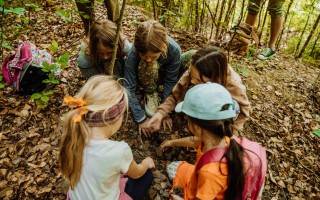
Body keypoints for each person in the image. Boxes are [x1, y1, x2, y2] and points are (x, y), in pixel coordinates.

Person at [161, 82, 265, 200]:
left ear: (198, 127)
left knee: (173, 170)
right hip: (211, 181)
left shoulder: (209, 173)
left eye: (187, 119)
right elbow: (193, 141)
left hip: (206, 188)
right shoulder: (224, 139)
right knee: (173, 168)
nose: (186, 122)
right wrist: (172, 142)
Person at [59, 75, 155, 200]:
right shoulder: (119, 150)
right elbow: (136, 173)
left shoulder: (74, 137)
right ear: (114, 119)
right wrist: (146, 163)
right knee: (146, 176)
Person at [145, 46, 250, 135]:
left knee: (233, 106)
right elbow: (176, 94)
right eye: (192, 75)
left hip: (217, 119)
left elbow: (242, 114)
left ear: (214, 78)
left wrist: (226, 136)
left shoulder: (233, 85)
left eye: (199, 80)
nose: (192, 81)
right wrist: (161, 113)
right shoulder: (195, 71)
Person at [124, 20, 181, 135]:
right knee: (149, 65)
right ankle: (150, 92)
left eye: (154, 56)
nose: (148, 59)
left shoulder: (174, 50)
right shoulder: (133, 52)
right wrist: (140, 118)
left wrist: (164, 111)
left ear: (163, 48)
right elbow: (128, 86)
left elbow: (171, 80)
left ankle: (158, 94)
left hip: (163, 75)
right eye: (143, 55)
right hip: (144, 77)